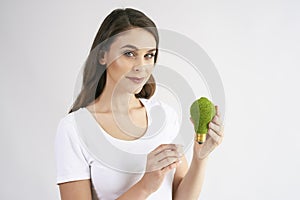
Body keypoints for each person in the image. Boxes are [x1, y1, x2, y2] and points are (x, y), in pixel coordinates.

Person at [55, 7, 224, 200]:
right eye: (129, 53)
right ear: (102, 55)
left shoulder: (165, 116)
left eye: (149, 55)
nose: (141, 66)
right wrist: (144, 186)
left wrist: (200, 157)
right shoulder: (74, 129)